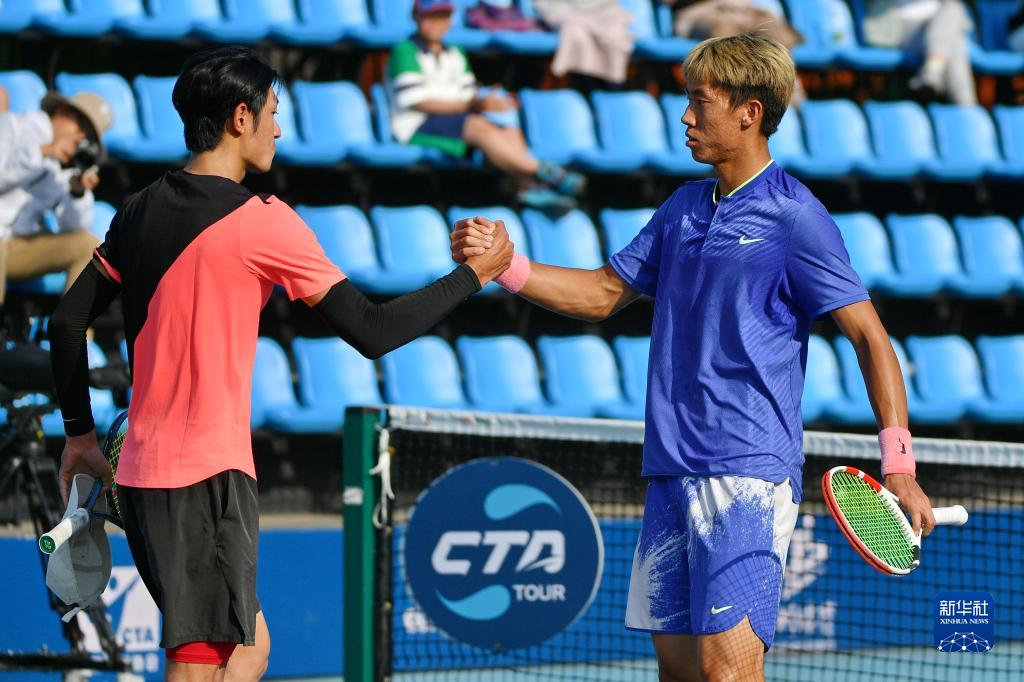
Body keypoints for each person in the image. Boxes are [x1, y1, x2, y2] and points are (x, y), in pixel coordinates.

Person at [452, 34, 936, 682]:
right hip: (670, 468)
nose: (685, 117)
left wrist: (899, 464)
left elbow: (870, 337)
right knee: (679, 673)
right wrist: (507, 266)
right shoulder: (682, 207)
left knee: (727, 673)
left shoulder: (797, 217)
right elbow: (602, 294)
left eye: (700, 102)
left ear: (749, 112)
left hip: (746, 473)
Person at [49, 46, 511, 681]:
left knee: (248, 650)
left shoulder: (137, 209)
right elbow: (372, 331)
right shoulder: (262, 222)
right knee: (198, 665)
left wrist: (78, 434)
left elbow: (66, 321)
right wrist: (473, 277)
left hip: (141, 473)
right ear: (240, 118)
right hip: (203, 478)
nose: (279, 129)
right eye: (272, 112)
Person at [388, 0, 584, 209]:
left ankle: (529, 184)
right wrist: (472, 105)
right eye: (430, 16)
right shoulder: (405, 50)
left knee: (506, 125)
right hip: (417, 125)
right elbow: (418, 102)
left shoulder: (454, 52)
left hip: (456, 121)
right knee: (478, 125)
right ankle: (547, 174)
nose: (436, 23)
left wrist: (488, 104)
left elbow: (467, 93)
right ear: (416, 17)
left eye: (443, 16)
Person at [0, 90, 112, 321]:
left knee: (87, 245)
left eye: (89, 136)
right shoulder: (12, 126)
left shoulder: (67, 168)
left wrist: (77, 190)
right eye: (81, 125)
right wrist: (42, 152)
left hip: (18, 246)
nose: (80, 137)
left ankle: (73, 337)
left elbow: (74, 227)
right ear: (61, 111)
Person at [862, 0, 977, 106]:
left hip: (938, 22)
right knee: (953, 43)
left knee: (953, 9)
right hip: (898, 23)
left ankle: (932, 73)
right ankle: (966, 108)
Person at [533, 0, 635, 87]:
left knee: (614, 36)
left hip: (602, 13)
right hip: (563, 13)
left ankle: (609, 86)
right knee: (576, 34)